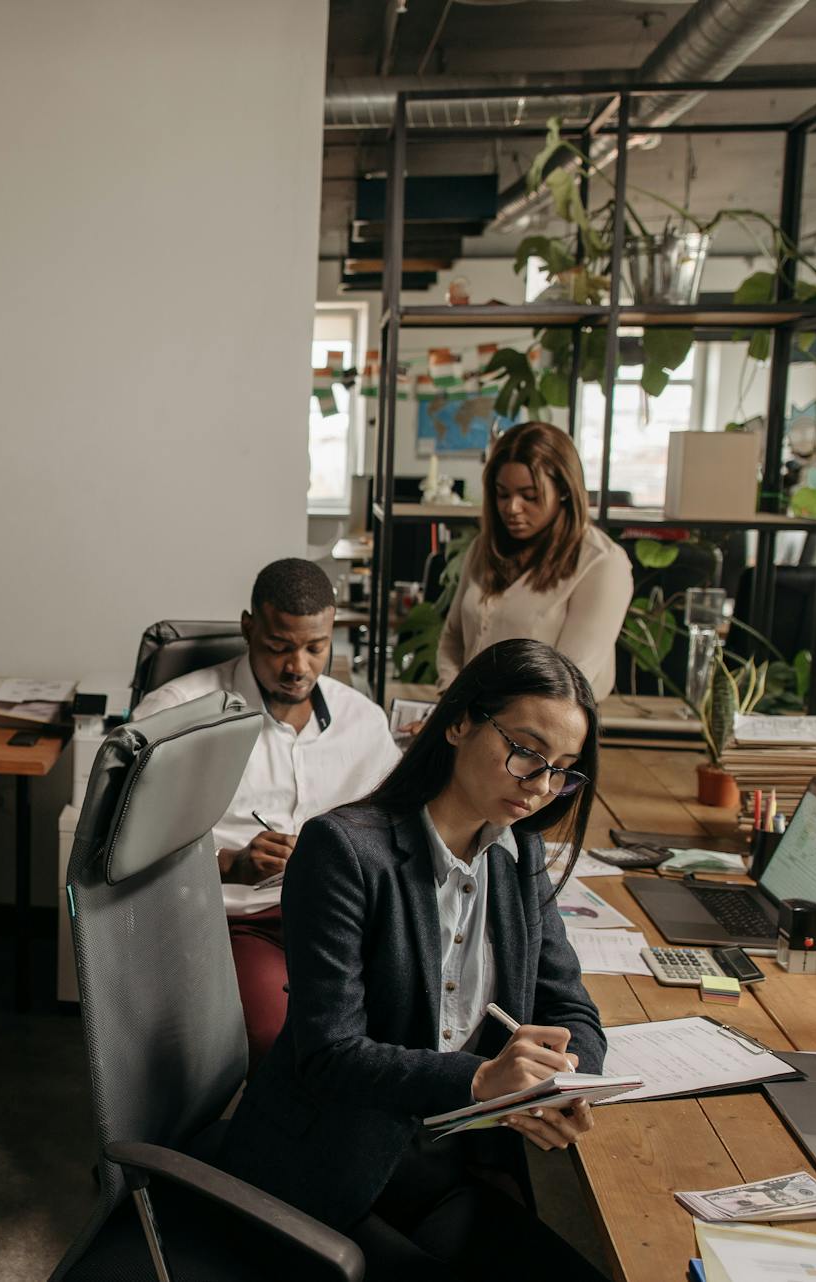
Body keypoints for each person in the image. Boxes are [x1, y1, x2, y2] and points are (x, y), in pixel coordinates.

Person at [219, 638, 608, 1282]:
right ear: (457, 723)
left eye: (562, 767)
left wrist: (558, 1081)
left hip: (445, 1167)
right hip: (328, 1172)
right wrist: (482, 1081)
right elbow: (328, 1054)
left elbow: (571, 1007)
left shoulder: (520, 857)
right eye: (526, 753)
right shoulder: (343, 850)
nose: (541, 787)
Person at [132, 558, 399, 1064]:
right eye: (279, 647)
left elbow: (394, 830)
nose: (298, 666)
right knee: (283, 1042)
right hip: (243, 920)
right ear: (248, 628)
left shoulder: (362, 721)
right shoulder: (177, 715)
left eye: (315, 647)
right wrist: (231, 863)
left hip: (346, 920)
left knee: (406, 1024)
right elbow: (123, 850)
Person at [437, 421, 633, 701]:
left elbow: (569, 683)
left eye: (529, 496)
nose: (512, 508)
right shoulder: (485, 547)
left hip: (544, 735)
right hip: (470, 720)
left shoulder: (601, 564)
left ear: (564, 490)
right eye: (502, 494)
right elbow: (453, 637)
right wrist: (451, 702)